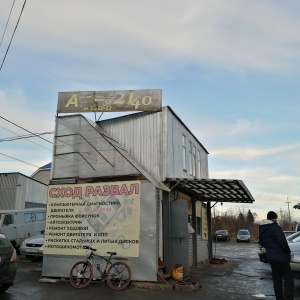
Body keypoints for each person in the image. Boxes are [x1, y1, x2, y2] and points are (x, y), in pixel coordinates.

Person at [259, 211, 294, 300]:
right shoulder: (275, 227)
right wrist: (287, 251)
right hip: (281, 258)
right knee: (288, 279)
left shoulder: (262, 228)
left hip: (271, 258)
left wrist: (270, 249)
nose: (276, 220)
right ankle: (289, 298)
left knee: (277, 280)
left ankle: (279, 298)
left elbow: (262, 243)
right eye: (276, 218)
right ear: (274, 218)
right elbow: (282, 242)